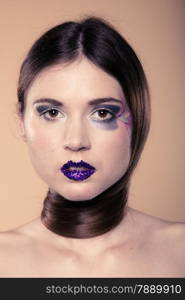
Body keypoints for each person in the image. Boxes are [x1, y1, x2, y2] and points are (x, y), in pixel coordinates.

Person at [0, 16, 185, 278]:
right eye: (52, 112)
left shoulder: (180, 252)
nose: (76, 141)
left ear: (138, 116)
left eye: (102, 113)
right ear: (21, 120)